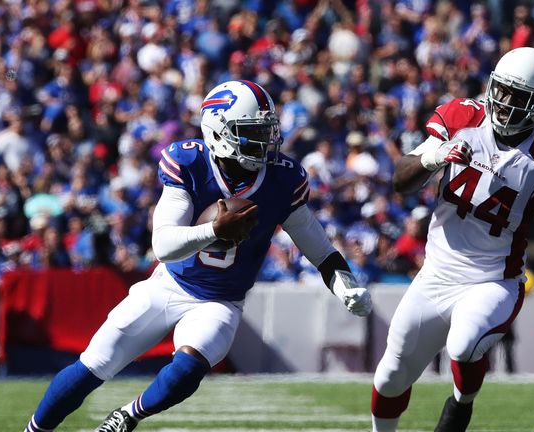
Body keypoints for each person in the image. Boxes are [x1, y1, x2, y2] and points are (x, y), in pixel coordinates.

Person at [23, 80, 372, 432]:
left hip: (221, 300)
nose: (265, 142)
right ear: (218, 130)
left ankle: (127, 416)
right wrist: (215, 231)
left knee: (187, 370)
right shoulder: (190, 163)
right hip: (169, 284)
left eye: (267, 131)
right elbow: (163, 245)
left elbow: (317, 245)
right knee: (94, 365)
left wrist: (344, 284)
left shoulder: (283, 179)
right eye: (252, 132)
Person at [370, 47, 534, 432]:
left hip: (493, 280)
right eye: (502, 90)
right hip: (435, 276)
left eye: (518, 97)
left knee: (464, 343)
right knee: (391, 374)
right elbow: (400, 181)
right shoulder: (462, 117)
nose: (505, 103)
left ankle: (462, 403)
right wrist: (434, 157)